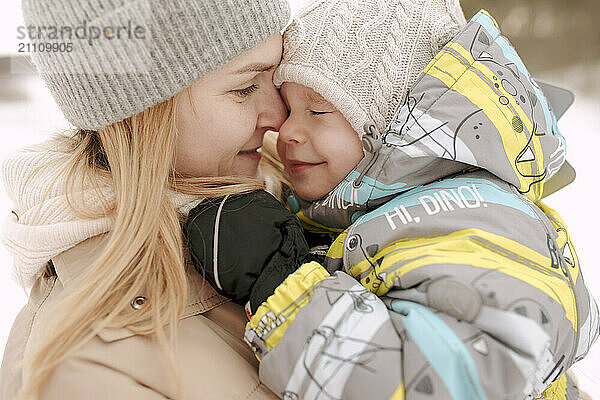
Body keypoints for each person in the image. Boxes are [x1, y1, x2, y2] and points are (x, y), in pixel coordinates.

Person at [187, 1, 599, 399]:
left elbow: (446, 384)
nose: (285, 130)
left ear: (396, 126)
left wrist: (284, 289)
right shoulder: (368, 212)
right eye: (290, 107)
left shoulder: (475, 224)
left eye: (319, 112)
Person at [0, 0, 293, 399]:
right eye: (245, 88)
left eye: (278, 80)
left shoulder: (315, 202)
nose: (280, 114)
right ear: (144, 112)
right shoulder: (87, 372)